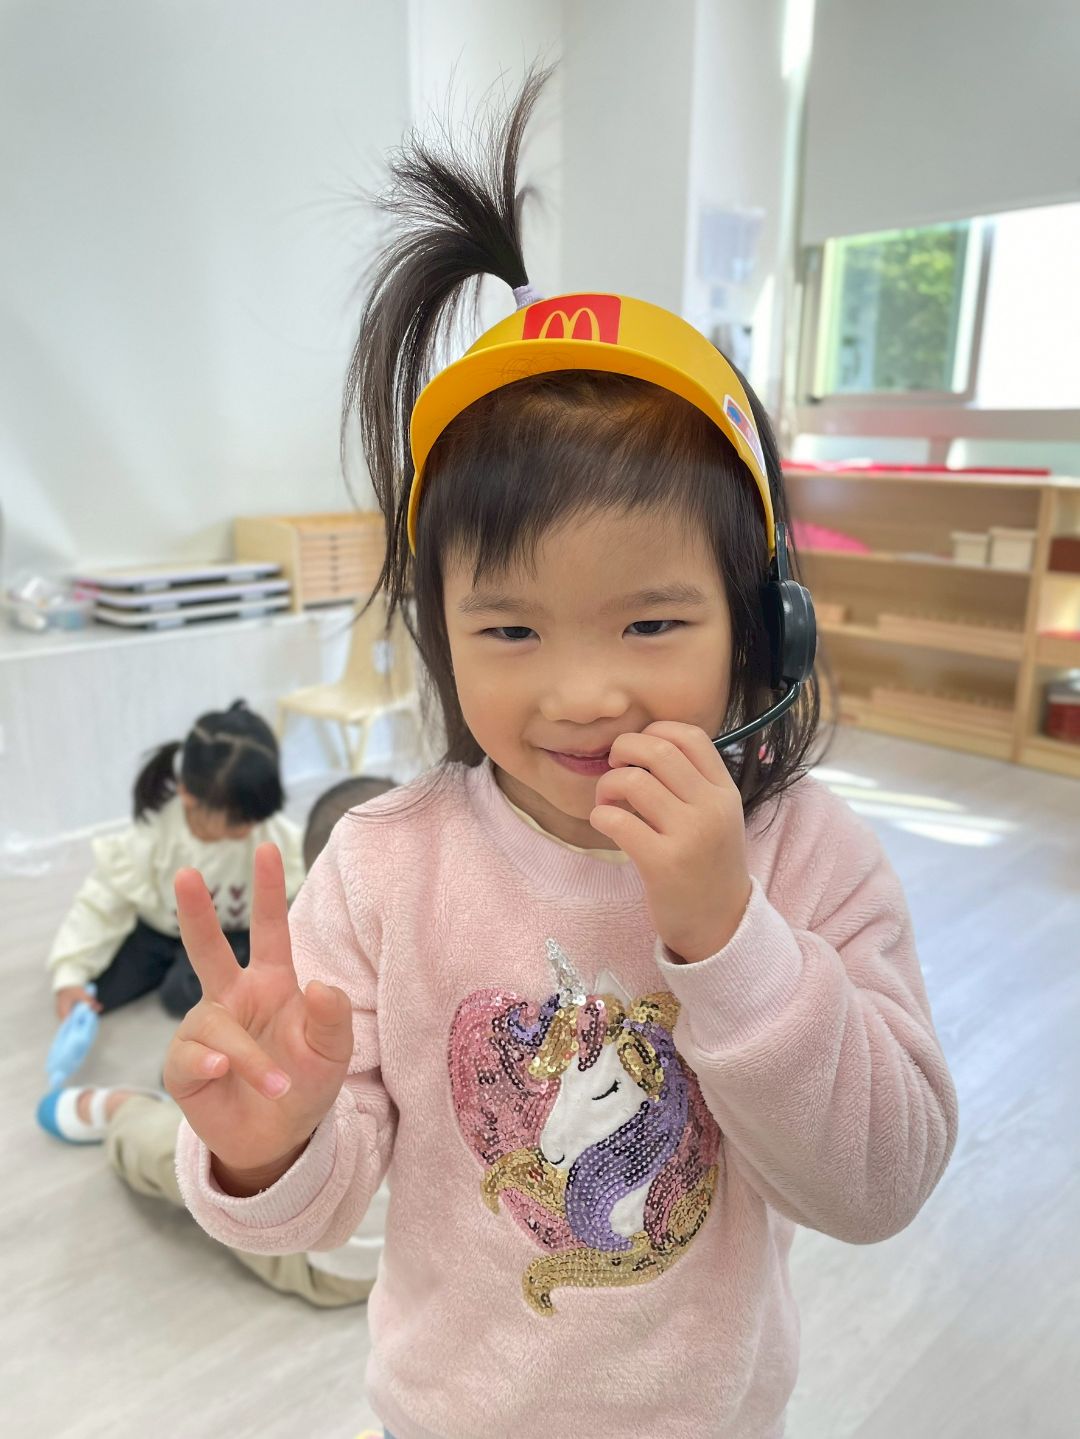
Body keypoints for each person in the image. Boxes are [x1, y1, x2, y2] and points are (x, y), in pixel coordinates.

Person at [165, 70, 958, 1439]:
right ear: (442, 637)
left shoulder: (807, 856)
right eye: (511, 628)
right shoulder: (388, 866)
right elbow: (322, 1197)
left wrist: (729, 934)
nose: (584, 693)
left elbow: (880, 1182)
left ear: (760, 626)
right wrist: (269, 1140)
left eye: (651, 621)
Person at [39, 776, 397, 1309]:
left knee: (169, 1147)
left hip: (343, 1267)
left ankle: (126, 1113)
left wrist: (257, 1161)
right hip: (380, 1255)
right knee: (229, 1102)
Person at [47, 701, 304, 1020]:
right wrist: (70, 974)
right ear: (188, 795)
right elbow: (102, 900)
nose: (250, 827)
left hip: (230, 935)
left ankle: (188, 974)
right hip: (160, 931)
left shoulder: (275, 836)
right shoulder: (154, 835)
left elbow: (304, 896)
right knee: (98, 991)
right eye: (238, 819)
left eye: (257, 816)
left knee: (180, 996)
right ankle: (177, 967)